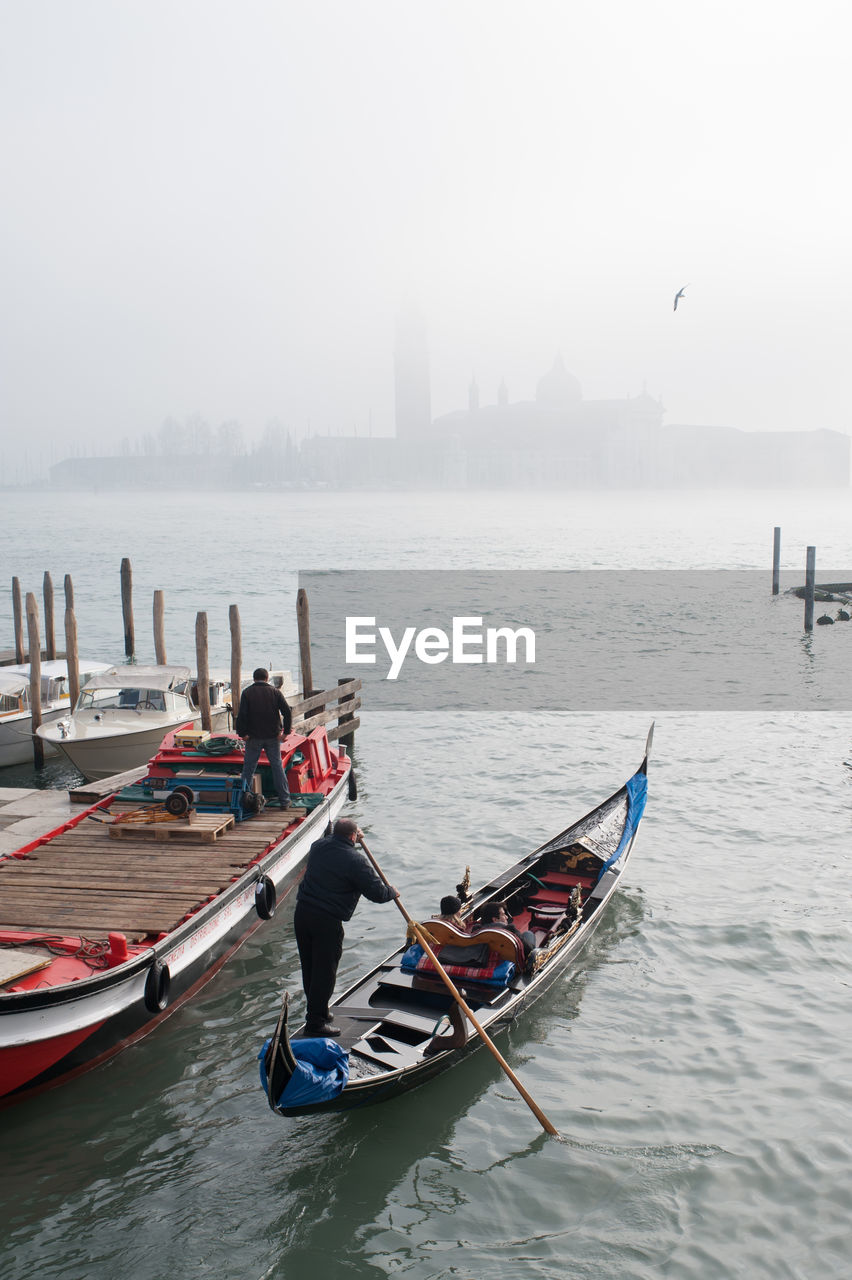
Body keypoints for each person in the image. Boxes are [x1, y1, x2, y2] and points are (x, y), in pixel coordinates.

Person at [294, 817, 399, 1036]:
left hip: (302, 914)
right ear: (353, 836)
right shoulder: (355, 861)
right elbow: (377, 894)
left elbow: (334, 842)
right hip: (326, 921)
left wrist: (353, 839)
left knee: (310, 967)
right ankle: (315, 1023)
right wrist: (392, 892)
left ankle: (319, 1010)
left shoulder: (318, 846)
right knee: (325, 972)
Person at [236, 668, 292, 809]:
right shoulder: (275, 692)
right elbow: (287, 712)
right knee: (277, 767)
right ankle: (285, 800)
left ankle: (243, 800)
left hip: (253, 737)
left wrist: (242, 733)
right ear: (267, 678)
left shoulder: (247, 693)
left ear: (254, 679)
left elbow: (242, 715)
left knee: (248, 769)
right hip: (273, 736)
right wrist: (286, 732)